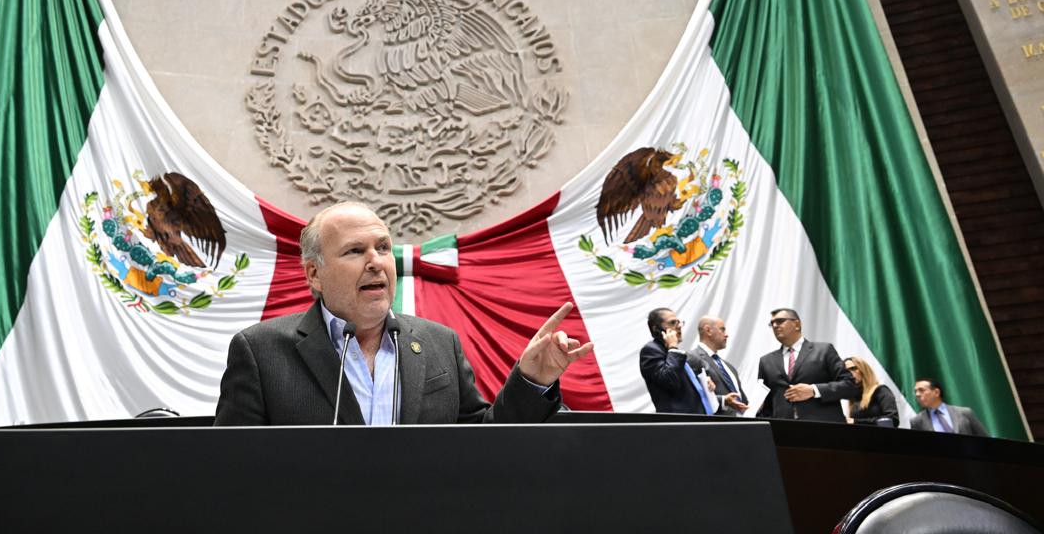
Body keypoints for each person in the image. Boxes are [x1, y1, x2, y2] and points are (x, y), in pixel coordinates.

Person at [214, 202, 593, 425]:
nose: (376, 262)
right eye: (355, 251)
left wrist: (531, 380)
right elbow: (231, 468)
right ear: (314, 273)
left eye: (382, 248)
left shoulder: (439, 343)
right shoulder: (261, 352)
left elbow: (482, 441)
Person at [756, 308, 858, 422]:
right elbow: (765, 404)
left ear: (797, 324)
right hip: (783, 429)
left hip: (823, 427)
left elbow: (850, 386)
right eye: (772, 323)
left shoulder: (824, 351)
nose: (775, 326)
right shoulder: (766, 361)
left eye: (780, 321)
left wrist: (814, 390)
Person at [639, 308, 715, 415]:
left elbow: (688, 393)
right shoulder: (651, 350)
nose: (679, 326)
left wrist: (704, 385)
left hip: (699, 419)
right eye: (672, 323)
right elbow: (670, 381)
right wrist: (673, 347)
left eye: (679, 322)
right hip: (681, 422)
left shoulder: (675, 354)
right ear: (656, 329)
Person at [688, 315, 748, 416]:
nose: (727, 335)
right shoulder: (691, 358)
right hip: (716, 424)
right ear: (708, 330)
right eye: (722, 329)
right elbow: (693, 398)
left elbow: (742, 401)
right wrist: (723, 400)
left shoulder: (729, 367)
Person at [908, 378, 989, 437]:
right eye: (916, 391)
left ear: (936, 392)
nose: (917, 394)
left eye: (921, 390)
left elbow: (984, 438)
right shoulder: (917, 421)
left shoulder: (965, 412)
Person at [843, 357, 898, 427]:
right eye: (846, 371)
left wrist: (856, 422)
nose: (850, 373)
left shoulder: (881, 391)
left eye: (853, 368)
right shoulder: (853, 397)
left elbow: (892, 419)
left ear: (864, 370)